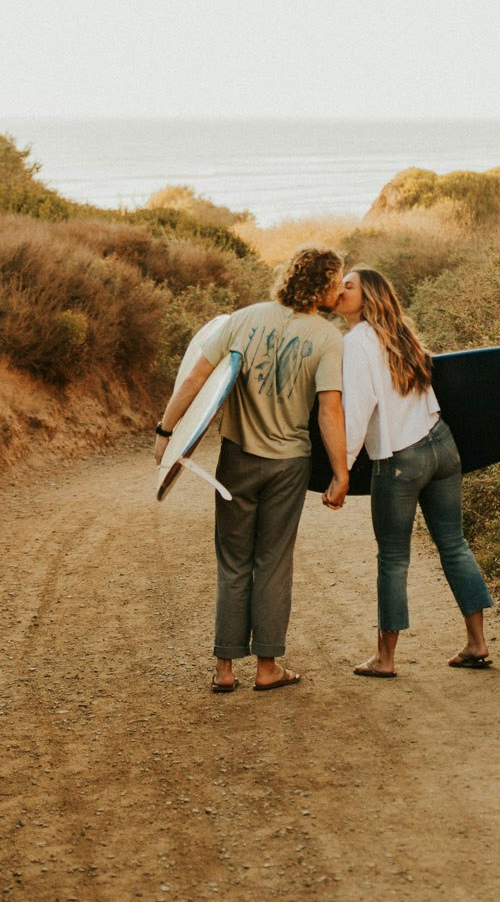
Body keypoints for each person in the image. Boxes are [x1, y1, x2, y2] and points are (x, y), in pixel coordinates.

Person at [155, 245, 351, 693]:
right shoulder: (327, 338)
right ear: (321, 286)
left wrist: (165, 433)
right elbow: (330, 410)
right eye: (336, 280)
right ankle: (267, 667)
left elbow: (195, 380)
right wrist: (341, 472)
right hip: (288, 465)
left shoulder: (243, 319)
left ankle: (224, 669)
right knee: (273, 562)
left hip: (237, 460)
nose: (340, 288)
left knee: (233, 561)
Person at [326, 266, 495, 677]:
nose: (340, 290)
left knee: (393, 558)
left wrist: (341, 471)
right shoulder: (401, 332)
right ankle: (477, 643)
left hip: (400, 459)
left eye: (349, 286)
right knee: (454, 545)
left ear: (368, 298)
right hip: (442, 444)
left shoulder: (356, 343)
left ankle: (385, 659)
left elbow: (358, 409)